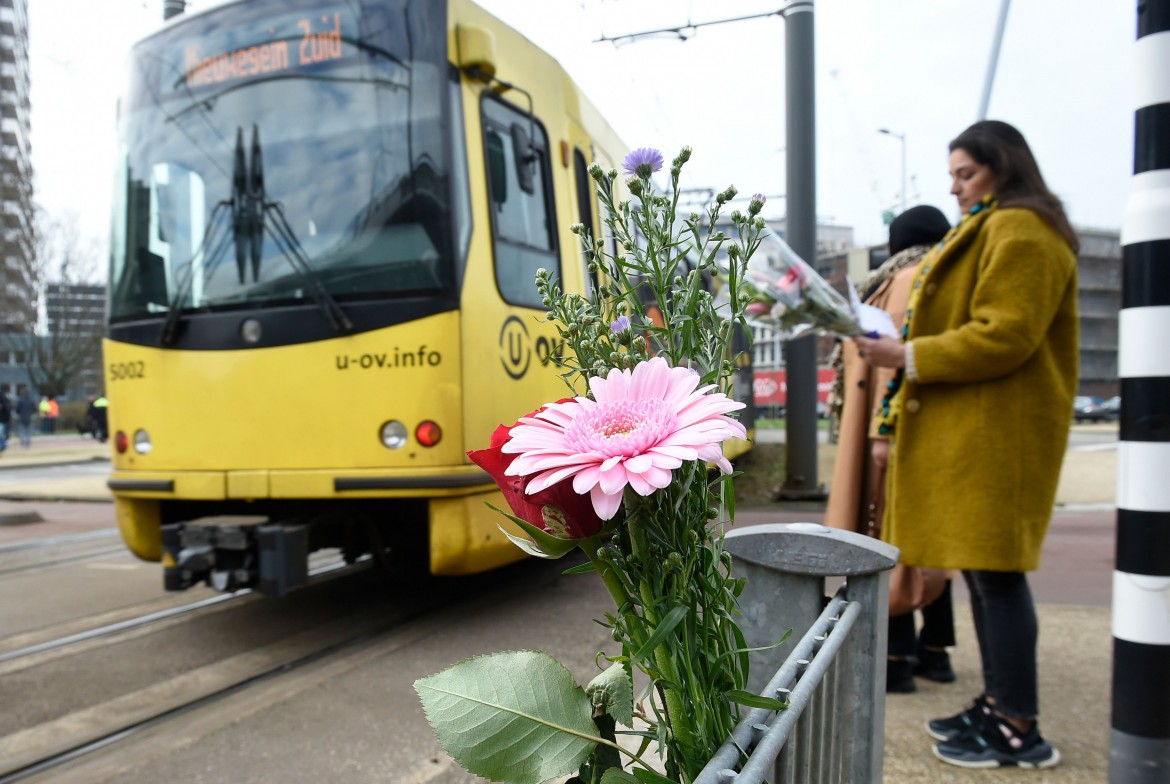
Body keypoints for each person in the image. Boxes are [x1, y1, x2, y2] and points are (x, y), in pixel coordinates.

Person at [856, 120, 1078, 770]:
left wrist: (907, 354)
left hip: (998, 439)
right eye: (952, 174)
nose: (953, 187)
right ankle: (1000, 703)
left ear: (1002, 166)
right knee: (985, 576)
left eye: (965, 174)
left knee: (998, 579)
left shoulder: (1021, 229)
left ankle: (1016, 726)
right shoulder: (1003, 225)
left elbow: (1006, 334)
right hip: (988, 434)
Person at [824, 204, 956, 695]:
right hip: (919, 430)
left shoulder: (903, 279)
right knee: (930, 541)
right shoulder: (941, 274)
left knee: (886, 538)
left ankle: (896, 657)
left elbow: (890, 368)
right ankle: (937, 650)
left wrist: (880, 436)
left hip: (891, 434)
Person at [0, 388, 10, 454]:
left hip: (2, 419)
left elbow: (6, 409)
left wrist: (7, 420)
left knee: (1, 433)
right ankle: (3, 445)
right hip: (2, 419)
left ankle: (2, 446)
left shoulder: (3, 402)